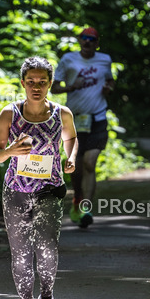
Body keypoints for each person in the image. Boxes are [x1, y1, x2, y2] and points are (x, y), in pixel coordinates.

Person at [0, 57, 78, 299]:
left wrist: (70, 157)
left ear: (51, 83)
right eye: (31, 82)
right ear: (22, 83)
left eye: (42, 82)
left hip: (49, 190)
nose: (36, 87)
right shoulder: (10, 114)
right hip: (15, 191)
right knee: (21, 254)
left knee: (47, 248)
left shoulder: (62, 114)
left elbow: (71, 138)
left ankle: (47, 298)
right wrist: (9, 153)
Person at [52, 26, 115, 228]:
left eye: (92, 39)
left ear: (97, 43)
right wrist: (70, 87)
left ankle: (87, 208)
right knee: (75, 167)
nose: (87, 42)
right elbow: (54, 87)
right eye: (84, 38)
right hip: (73, 120)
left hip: (97, 118)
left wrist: (108, 88)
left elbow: (111, 81)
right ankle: (77, 198)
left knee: (89, 163)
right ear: (79, 41)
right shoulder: (68, 59)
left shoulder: (104, 60)